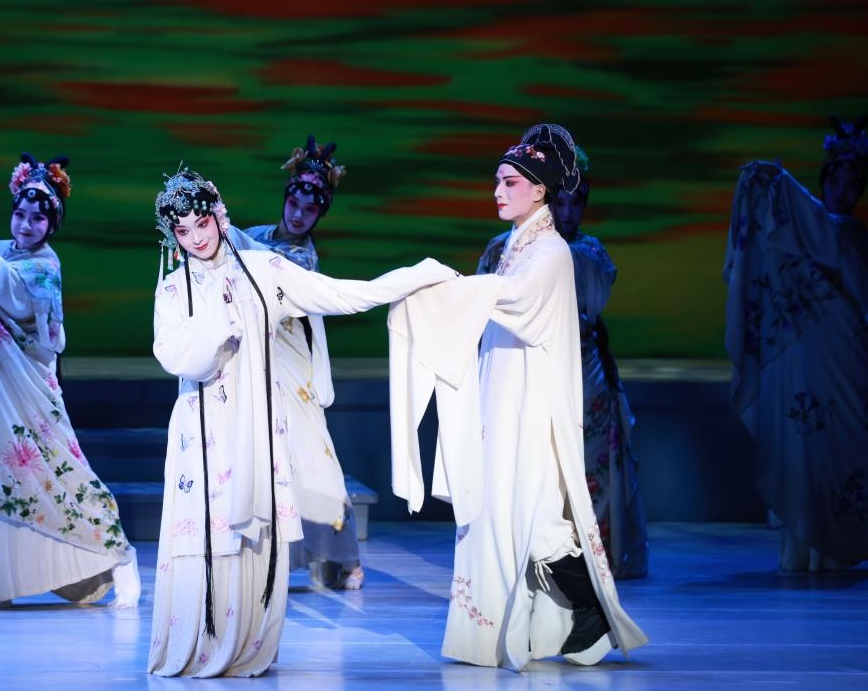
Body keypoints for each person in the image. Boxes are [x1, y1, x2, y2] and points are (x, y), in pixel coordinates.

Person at [148, 168, 455, 677]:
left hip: (256, 422)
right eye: (183, 231)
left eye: (202, 223)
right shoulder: (174, 287)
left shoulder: (264, 269)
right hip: (201, 430)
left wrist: (419, 274)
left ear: (220, 216)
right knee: (202, 532)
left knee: (252, 533)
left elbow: (343, 295)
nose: (197, 238)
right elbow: (176, 356)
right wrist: (220, 324)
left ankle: (246, 643)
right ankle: (198, 641)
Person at [387, 124, 647, 670]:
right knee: (509, 513)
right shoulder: (515, 243)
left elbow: (514, 300)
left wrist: (444, 286)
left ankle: (587, 611)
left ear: (540, 190)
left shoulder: (551, 251)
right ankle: (565, 618)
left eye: (510, 183)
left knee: (535, 513)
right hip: (503, 396)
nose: (498, 192)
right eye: (497, 182)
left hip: (530, 406)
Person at [0, 153, 140, 611]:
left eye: (38, 218)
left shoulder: (44, 266)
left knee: (59, 477)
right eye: (20, 214)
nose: (26, 224)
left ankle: (120, 559)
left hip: (25, 389)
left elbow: (12, 293)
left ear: (52, 225)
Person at [477, 147, 648, 579]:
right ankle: (529, 558)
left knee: (591, 465)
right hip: (525, 362)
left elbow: (590, 306)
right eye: (563, 203)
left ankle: (591, 557)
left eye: (577, 204)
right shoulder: (506, 246)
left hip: (584, 369)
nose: (569, 213)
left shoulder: (586, 253)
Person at [724, 116, 868, 572]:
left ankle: (831, 550)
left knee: (841, 450)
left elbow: (864, 302)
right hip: (807, 358)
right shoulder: (807, 229)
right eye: (838, 179)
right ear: (825, 178)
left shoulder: (846, 231)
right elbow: (802, 220)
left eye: (854, 183)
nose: (844, 190)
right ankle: (803, 551)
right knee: (803, 445)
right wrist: (771, 182)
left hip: (846, 358)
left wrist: (778, 183)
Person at [243, 136, 365, 590]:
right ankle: (266, 555)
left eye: (309, 211)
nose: (298, 215)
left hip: (290, 363)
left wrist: (225, 235)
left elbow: (262, 269)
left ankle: (343, 558)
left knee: (313, 456)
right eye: (294, 204)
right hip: (254, 360)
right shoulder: (255, 237)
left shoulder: (300, 256)